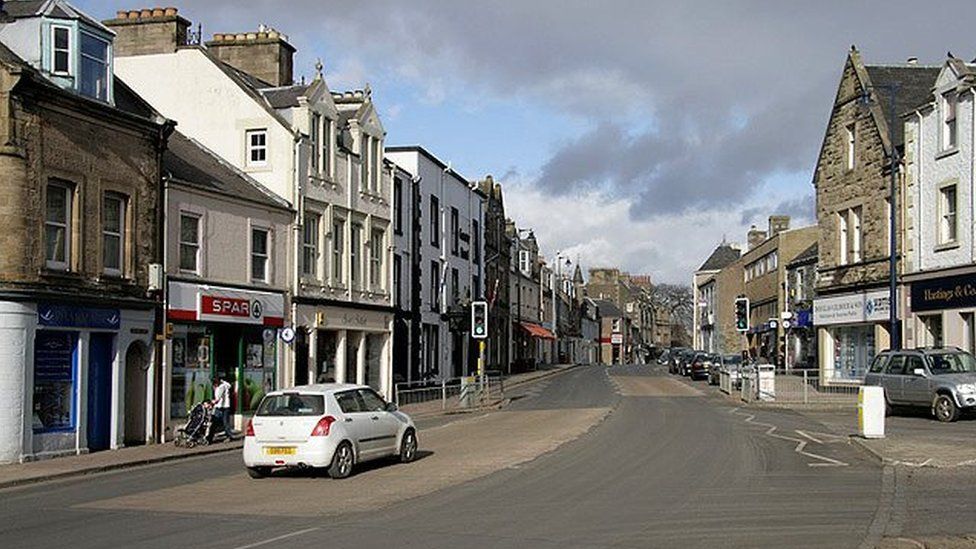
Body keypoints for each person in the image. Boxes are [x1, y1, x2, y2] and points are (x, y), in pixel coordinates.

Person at [211, 375, 233, 442]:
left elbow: (218, 398)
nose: (214, 384)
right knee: (215, 421)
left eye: (215, 383)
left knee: (224, 422)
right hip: (220, 406)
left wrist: (212, 402)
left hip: (223, 407)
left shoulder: (222, 387)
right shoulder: (223, 385)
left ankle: (228, 436)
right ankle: (210, 436)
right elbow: (229, 386)